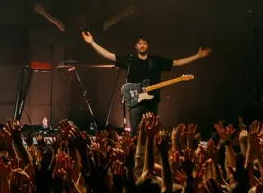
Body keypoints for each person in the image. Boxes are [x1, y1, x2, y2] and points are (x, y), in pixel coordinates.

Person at [81, 31, 211, 132]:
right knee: (135, 133)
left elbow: (177, 62)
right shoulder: (130, 60)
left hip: (152, 102)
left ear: (148, 45)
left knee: (150, 134)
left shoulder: (156, 61)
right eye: (140, 43)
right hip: (135, 103)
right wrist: (92, 43)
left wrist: (197, 56)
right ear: (136, 46)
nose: (142, 45)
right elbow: (109, 55)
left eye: (145, 43)